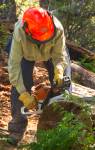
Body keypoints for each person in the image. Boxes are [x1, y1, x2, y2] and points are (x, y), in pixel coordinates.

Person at [7, 7, 71, 146]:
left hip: (52, 55)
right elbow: (14, 66)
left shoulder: (57, 28)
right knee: (19, 88)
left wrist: (59, 70)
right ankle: (16, 131)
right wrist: (24, 94)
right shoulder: (19, 32)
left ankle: (52, 129)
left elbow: (60, 56)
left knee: (63, 86)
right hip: (26, 54)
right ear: (27, 30)